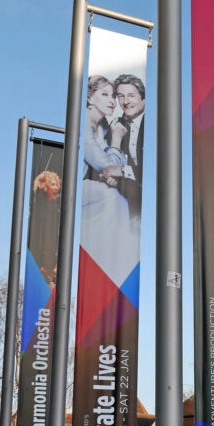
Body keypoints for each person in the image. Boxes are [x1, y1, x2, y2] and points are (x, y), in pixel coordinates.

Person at [80, 75, 134, 284]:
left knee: (115, 195)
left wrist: (111, 174)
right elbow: (107, 165)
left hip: (97, 187)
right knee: (111, 195)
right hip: (76, 191)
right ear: (89, 97)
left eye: (113, 95)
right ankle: (107, 258)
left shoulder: (103, 127)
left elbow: (117, 167)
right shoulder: (83, 123)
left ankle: (115, 257)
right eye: (104, 94)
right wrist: (117, 140)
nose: (112, 100)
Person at [109, 74, 145, 223]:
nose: (126, 102)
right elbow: (106, 167)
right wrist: (116, 139)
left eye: (131, 95)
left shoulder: (153, 124)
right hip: (123, 207)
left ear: (143, 98)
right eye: (121, 96)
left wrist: (123, 170)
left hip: (149, 204)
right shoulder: (116, 125)